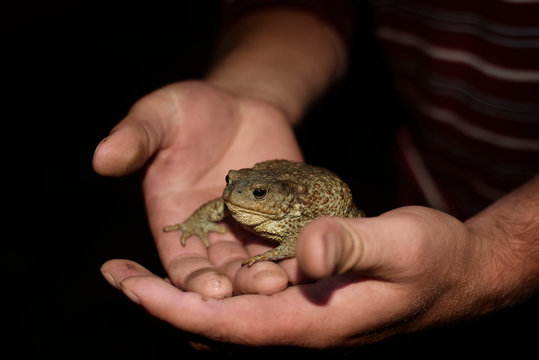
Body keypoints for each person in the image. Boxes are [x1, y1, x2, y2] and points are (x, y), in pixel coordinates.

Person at [94, 1, 538, 348]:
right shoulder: (240, 195)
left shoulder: (294, 210)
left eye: (257, 192)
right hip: (428, 171)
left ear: (278, 196)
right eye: (232, 183)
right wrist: (248, 92)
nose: (233, 194)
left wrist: (488, 262)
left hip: (344, 201)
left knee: (351, 235)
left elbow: (301, 234)